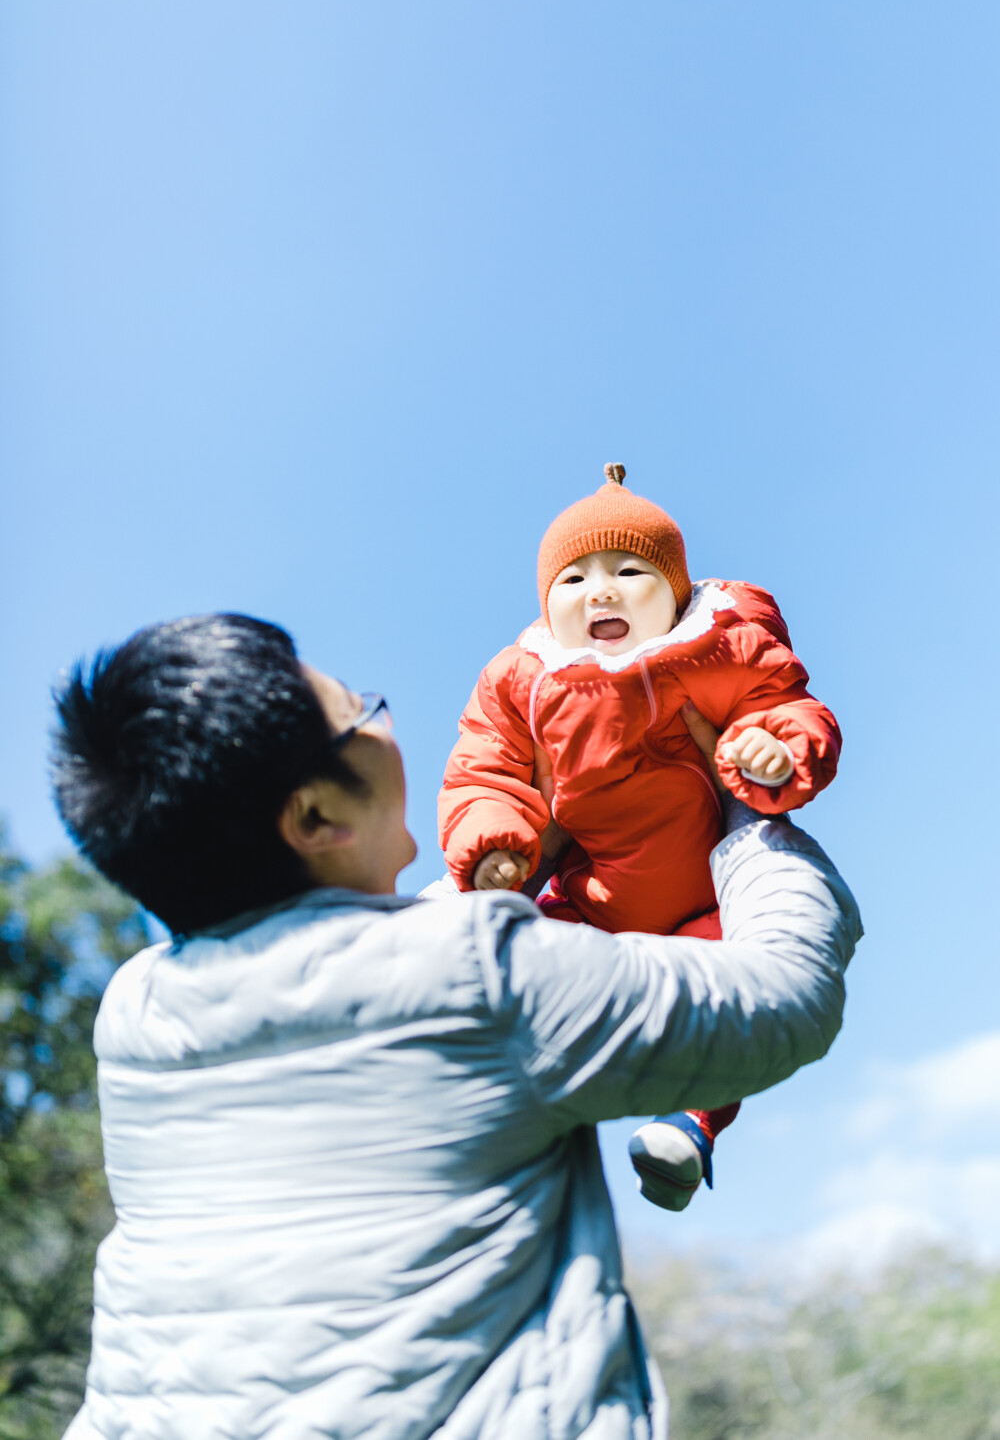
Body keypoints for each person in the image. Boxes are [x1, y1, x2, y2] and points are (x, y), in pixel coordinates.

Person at [52, 612, 860, 1440]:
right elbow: (783, 996)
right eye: (364, 714)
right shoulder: (483, 975)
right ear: (317, 815)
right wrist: (744, 815)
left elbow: (374, 967)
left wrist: (534, 848)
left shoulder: (138, 1014)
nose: (390, 726)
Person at [439, 464, 841, 1209]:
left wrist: (771, 749)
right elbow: (483, 769)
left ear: (678, 590)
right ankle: (500, 1118)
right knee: (509, 968)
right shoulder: (520, 681)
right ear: (546, 604)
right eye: (575, 579)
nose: (602, 591)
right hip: (589, 898)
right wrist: (497, 842)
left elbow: (790, 706)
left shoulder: (718, 649)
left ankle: (686, 1131)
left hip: (706, 898)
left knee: (728, 988)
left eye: (630, 570)